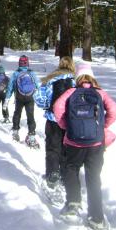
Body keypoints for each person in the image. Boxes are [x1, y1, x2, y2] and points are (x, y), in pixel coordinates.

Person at [52, 62, 116, 230]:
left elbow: (57, 108)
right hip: (96, 143)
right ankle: (97, 218)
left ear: (78, 77)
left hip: (73, 142)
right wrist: (101, 127)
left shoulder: (71, 92)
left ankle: (73, 206)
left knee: (71, 170)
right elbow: (114, 111)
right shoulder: (100, 93)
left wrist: (67, 126)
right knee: (94, 177)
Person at [33, 56, 75, 190]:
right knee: (66, 148)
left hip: (53, 119)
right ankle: (64, 175)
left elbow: (39, 99)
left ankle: (52, 174)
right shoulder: (76, 82)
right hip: (70, 121)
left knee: (52, 147)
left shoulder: (50, 80)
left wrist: (47, 105)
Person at [4, 55, 41, 147]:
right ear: (27, 63)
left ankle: (15, 133)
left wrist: (7, 99)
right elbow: (38, 85)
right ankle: (31, 136)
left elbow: (10, 88)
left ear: (19, 63)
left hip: (19, 98)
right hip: (30, 98)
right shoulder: (31, 73)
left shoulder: (16, 74)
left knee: (17, 114)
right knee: (30, 116)